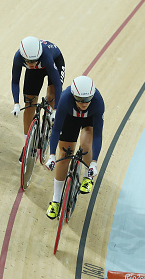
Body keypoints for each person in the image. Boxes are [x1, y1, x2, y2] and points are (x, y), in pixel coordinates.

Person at [44, 75, 105, 219]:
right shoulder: (65, 99)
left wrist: (94, 163)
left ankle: (86, 177)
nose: (84, 103)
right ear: (73, 96)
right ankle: (55, 200)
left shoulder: (97, 102)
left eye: (87, 99)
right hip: (70, 118)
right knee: (64, 155)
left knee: (86, 144)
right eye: (81, 100)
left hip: (89, 120)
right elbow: (56, 129)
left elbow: (97, 135)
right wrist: (52, 156)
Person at [10, 36, 65, 163]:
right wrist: (16, 104)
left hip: (54, 62)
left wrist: (56, 109)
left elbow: (57, 84)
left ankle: (50, 121)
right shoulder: (18, 57)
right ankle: (27, 146)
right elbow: (15, 81)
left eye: (34, 60)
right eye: (28, 61)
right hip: (35, 72)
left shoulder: (45, 55)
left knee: (52, 96)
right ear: (23, 57)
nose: (31, 63)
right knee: (29, 104)